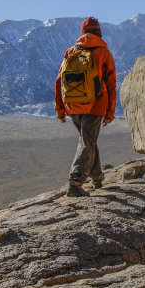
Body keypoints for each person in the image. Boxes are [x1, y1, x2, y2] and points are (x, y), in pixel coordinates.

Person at [54, 17, 116, 197]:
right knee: (87, 141)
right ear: (99, 33)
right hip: (95, 105)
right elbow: (111, 84)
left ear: (82, 33)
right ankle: (75, 180)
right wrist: (110, 112)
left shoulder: (71, 51)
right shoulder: (104, 53)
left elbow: (59, 81)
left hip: (72, 104)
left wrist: (60, 108)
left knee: (87, 139)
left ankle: (96, 177)